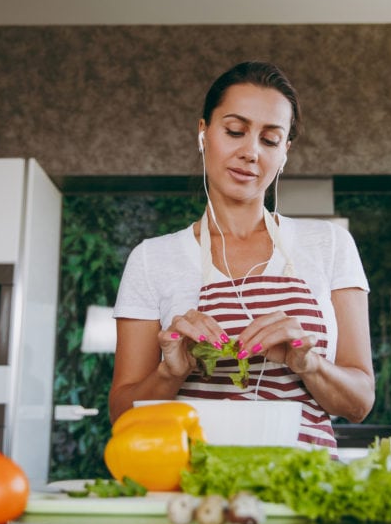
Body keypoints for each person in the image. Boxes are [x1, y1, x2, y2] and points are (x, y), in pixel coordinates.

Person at [108, 61, 374, 452]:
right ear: (204, 134)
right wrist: (171, 371)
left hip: (304, 490)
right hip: (195, 496)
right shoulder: (152, 259)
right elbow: (122, 414)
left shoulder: (330, 244)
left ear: (285, 153)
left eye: (269, 140)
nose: (250, 151)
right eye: (235, 131)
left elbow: (359, 403)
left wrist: (310, 364)